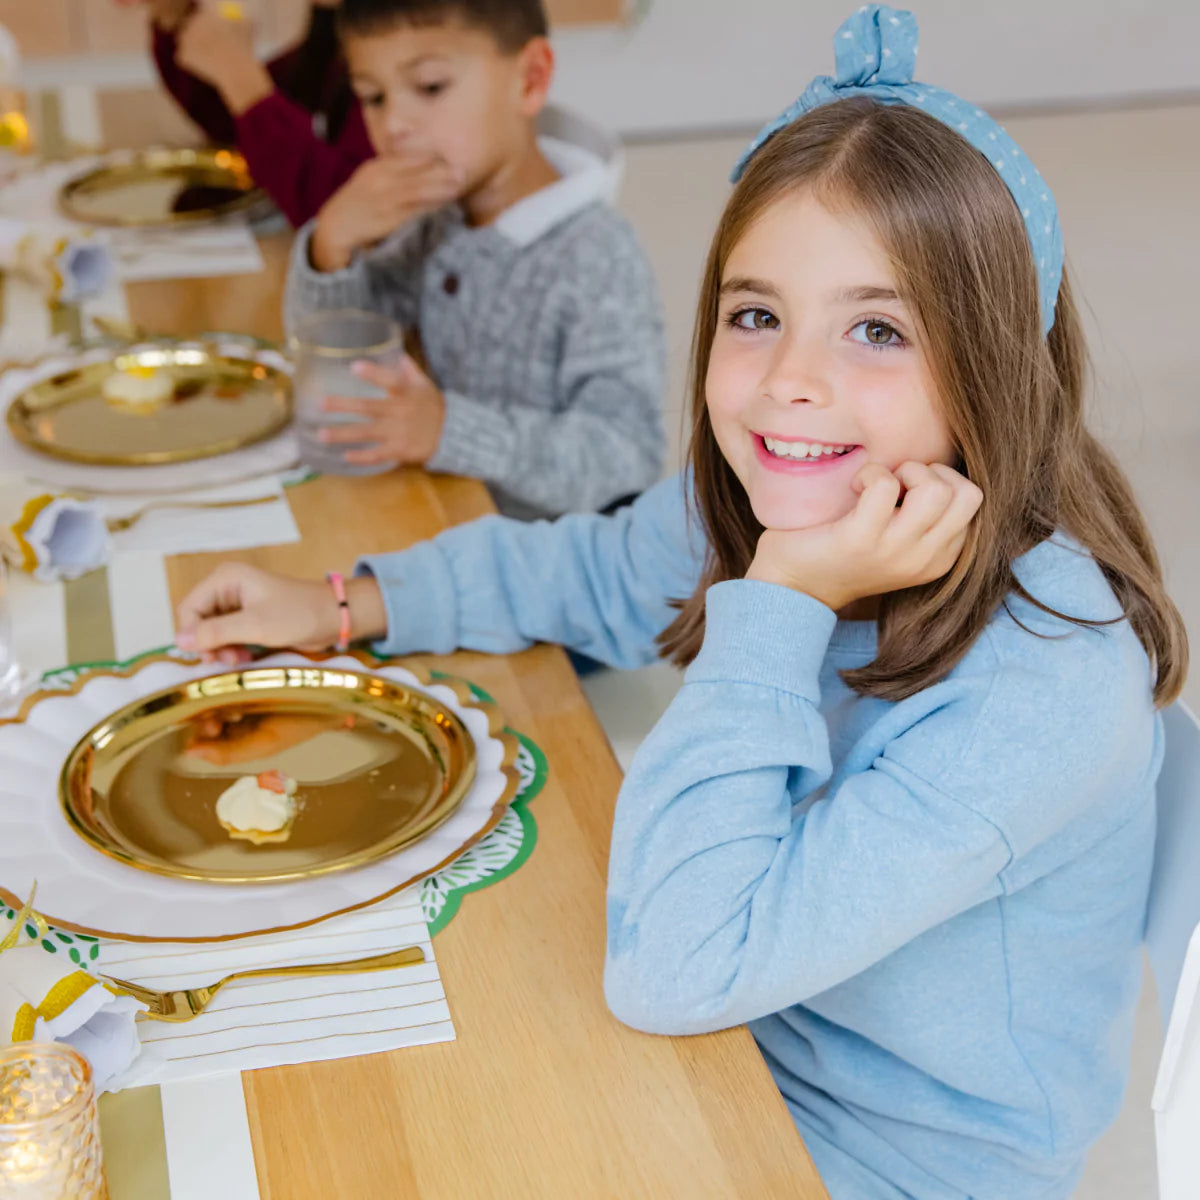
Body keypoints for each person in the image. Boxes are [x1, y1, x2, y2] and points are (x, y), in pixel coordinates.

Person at [174, 7, 1188, 1196]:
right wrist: (351, 601)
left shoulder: (1042, 682)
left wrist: (786, 600)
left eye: (876, 329)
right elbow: (594, 570)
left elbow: (679, 961)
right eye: (756, 315)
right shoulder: (782, 503)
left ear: (997, 355)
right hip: (734, 1031)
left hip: (890, 1156)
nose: (789, 382)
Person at [284, 0, 666, 519]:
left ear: (529, 79)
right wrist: (330, 245)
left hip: (551, 572)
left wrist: (448, 429)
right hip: (444, 523)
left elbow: (627, 457)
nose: (394, 124)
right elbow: (337, 361)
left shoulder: (597, 255)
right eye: (372, 97)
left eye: (431, 87)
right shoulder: (438, 221)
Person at [120, 0, 373, 226]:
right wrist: (176, 14)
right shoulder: (336, 27)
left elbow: (348, 206)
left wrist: (240, 78)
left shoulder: (390, 32)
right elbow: (240, 129)